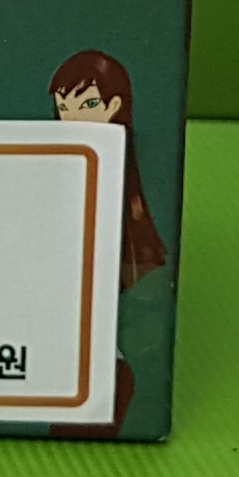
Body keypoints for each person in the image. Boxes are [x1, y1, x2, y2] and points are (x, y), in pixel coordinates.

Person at [50, 48, 169, 434]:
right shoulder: (61, 166)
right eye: (64, 108)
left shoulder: (117, 171)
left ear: (113, 105)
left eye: (87, 104)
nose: (73, 118)